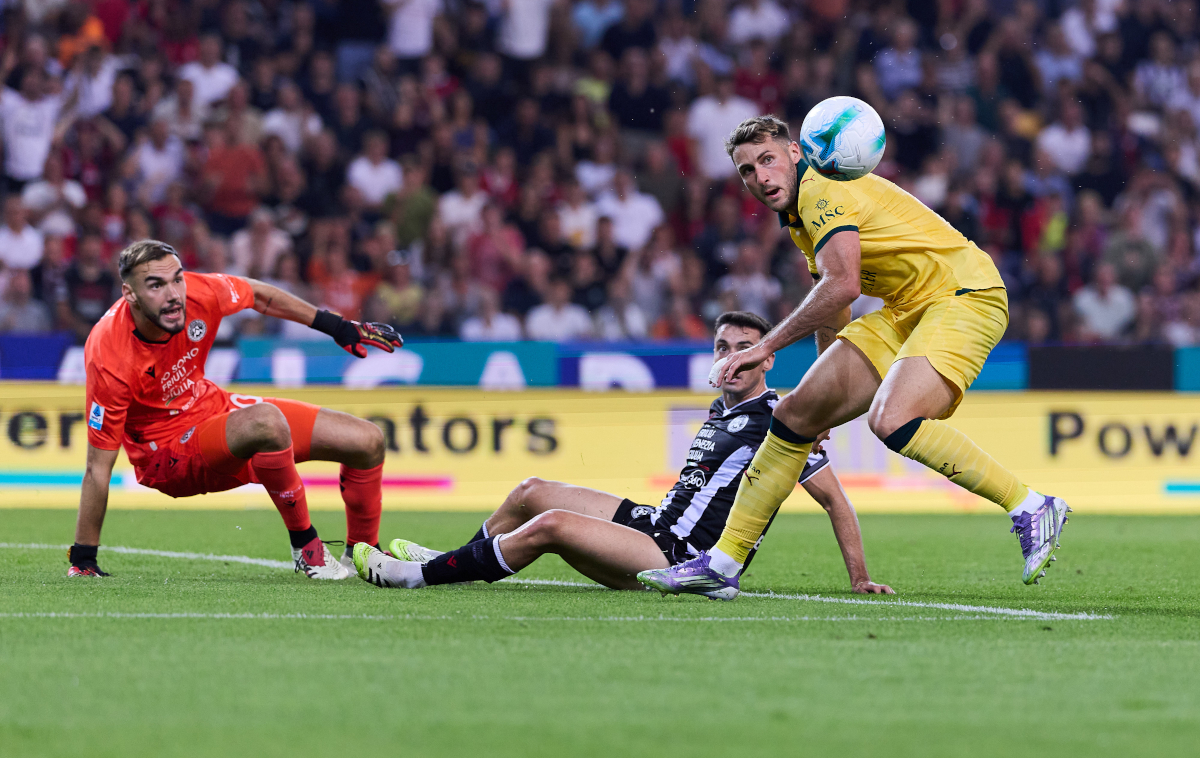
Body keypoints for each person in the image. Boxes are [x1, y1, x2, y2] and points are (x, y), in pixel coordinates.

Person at [639, 115, 1070, 600]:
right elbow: (836, 305)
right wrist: (828, 398)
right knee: (794, 416)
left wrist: (764, 347)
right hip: (907, 307)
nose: (759, 177)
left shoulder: (823, 191)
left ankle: (1030, 504)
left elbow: (840, 284)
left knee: (891, 418)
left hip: (964, 294)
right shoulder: (801, 217)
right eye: (746, 170)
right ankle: (721, 564)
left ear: (796, 154)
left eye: (767, 160)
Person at [352, 311, 893, 595]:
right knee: (530, 492)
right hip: (656, 526)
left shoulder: (781, 417)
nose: (733, 358)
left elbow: (835, 502)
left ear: (766, 360)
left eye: (745, 350)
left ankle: (417, 578)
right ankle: (455, 560)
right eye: (724, 347)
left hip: (682, 558)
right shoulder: (718, 412)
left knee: (554, 524)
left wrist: (858, 576)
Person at [68, 239, 404, 580]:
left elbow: (258, 294)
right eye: (155, 285)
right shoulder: (109, 353)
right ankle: (307, 548)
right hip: (167, 454)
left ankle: (363, 554)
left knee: (368, 440)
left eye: (177, 279)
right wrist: (84, 557)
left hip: (212, 409)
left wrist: (336, 326)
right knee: (266, 421)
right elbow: (98, 467)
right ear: (130, 294)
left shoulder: (198, 292)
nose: (173, 294)